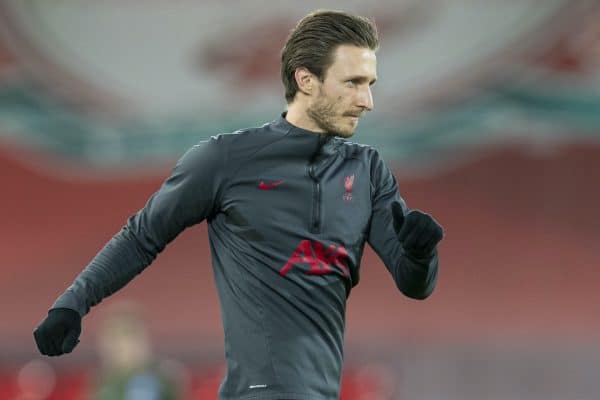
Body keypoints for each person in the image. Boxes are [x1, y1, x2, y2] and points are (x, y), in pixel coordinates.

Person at [34, 9, 444, 400]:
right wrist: (72, 303)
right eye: (353, 82)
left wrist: (422, 253)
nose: (367, 100)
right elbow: (143, 236)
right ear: (306, 80)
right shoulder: (225, 159)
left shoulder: (368, 170)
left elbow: (413, 283)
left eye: (370, 84)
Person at [91, 302, 184, 400]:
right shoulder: (101, 380)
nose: (110, 345)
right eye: (107, 337)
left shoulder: (163, 376)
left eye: (119, 337)